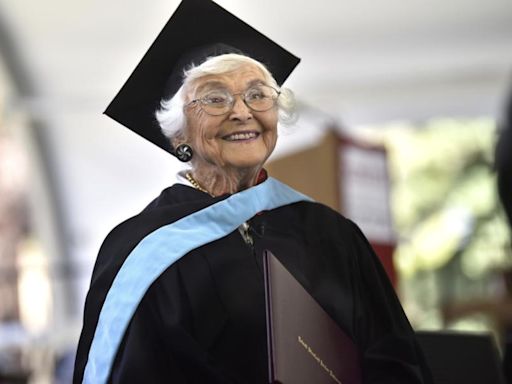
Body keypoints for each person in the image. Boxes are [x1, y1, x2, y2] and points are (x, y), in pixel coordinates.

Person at [73, 0, 433, 383]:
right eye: (215, 98)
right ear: (179, 133)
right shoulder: (141, 249)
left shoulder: (331, 234)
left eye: (258, 94)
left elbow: (396, 360)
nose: (242, 112)